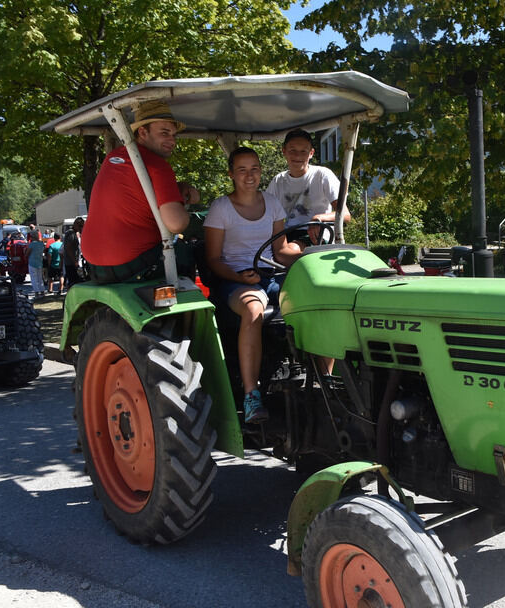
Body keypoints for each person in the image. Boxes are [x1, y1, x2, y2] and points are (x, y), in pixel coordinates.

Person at [204, 147, 302, 424]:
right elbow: (213, 259)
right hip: (233, 280)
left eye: (255, 169)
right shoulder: (221, 208)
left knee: (313, 301)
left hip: (269, 276)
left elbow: (280, 251)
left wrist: (306, 257)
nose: (250, 176)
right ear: (231, 174)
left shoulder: (271, 203)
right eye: (242, 170)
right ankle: (251, 395)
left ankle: (324, 382)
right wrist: (239, 277)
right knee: (253, 308)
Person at [81, 100, 200, 282]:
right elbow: (176, 224)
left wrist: (177, 189)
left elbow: (135, 197)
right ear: (143, 132)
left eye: (174, 135)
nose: (172, 141)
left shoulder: (112, 158)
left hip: (95, 266)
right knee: (197, 251)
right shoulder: (157, 166)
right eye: (164, 133)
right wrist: (184, 206)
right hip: (132, 265)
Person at [265, 129, 349, 244]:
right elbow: (265, 213)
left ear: (311, 153)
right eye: (292, 150)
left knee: (286, 252)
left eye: (303, 151)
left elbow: (345, 214)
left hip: (317, 235)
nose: (297, 156)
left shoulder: (322, 175)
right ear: (284, 151)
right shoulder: (278, 180)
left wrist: (318, 218)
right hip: (287, 234)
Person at [63, 217, 85, 289]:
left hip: (73, 261)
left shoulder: (74, 233)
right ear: (76, 225)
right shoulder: (71, 234)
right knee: (73, 282)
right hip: (71, 263)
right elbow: (68, 248)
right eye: (80, 226)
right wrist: (75, 261)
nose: (81, 228)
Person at [24, 230, 46, 298]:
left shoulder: (31, 244)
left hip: (32, 262)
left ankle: (36, 292)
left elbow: (27, 254)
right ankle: (42, 291)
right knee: (40, 278)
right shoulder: (41, 243)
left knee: (34, 278)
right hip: (39, 262)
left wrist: (25, 253)